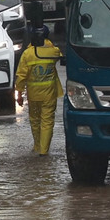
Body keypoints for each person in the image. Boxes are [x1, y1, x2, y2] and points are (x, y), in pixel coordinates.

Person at [14, 24, 64, 156]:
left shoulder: (27, 54)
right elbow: (60, 54)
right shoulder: (53, 51)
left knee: (35, 121)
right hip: (49, 94)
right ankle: (44, 151)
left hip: (33, 95)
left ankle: (37, 146)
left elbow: (21, 76)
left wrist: (19, 94)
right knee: (47, 121)